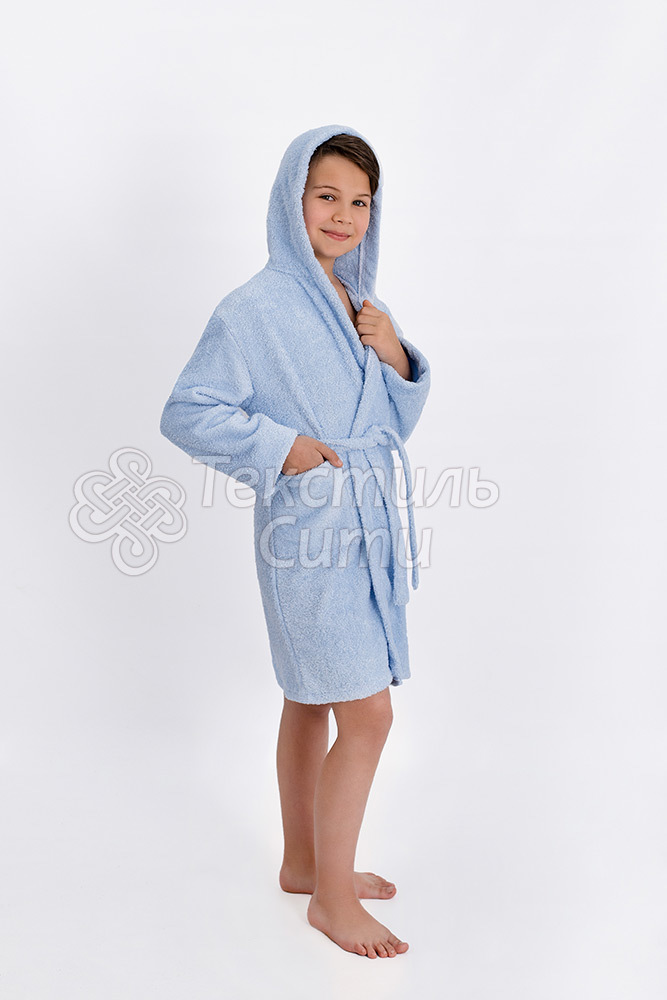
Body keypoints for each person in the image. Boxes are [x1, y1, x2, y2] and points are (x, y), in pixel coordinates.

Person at [160, 125, 431, 958]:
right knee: (368, 714)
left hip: (361, 521)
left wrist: (395, 356)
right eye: (326, 196)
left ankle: (306, 864)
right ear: (291, 199)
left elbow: (387, 429)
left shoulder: (357, 305)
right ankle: (332, 901)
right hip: (308, 530)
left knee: (311, 699)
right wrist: (287, 449)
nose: (343, 215)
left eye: (360, 202)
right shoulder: (253, 308)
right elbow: (188, 411)